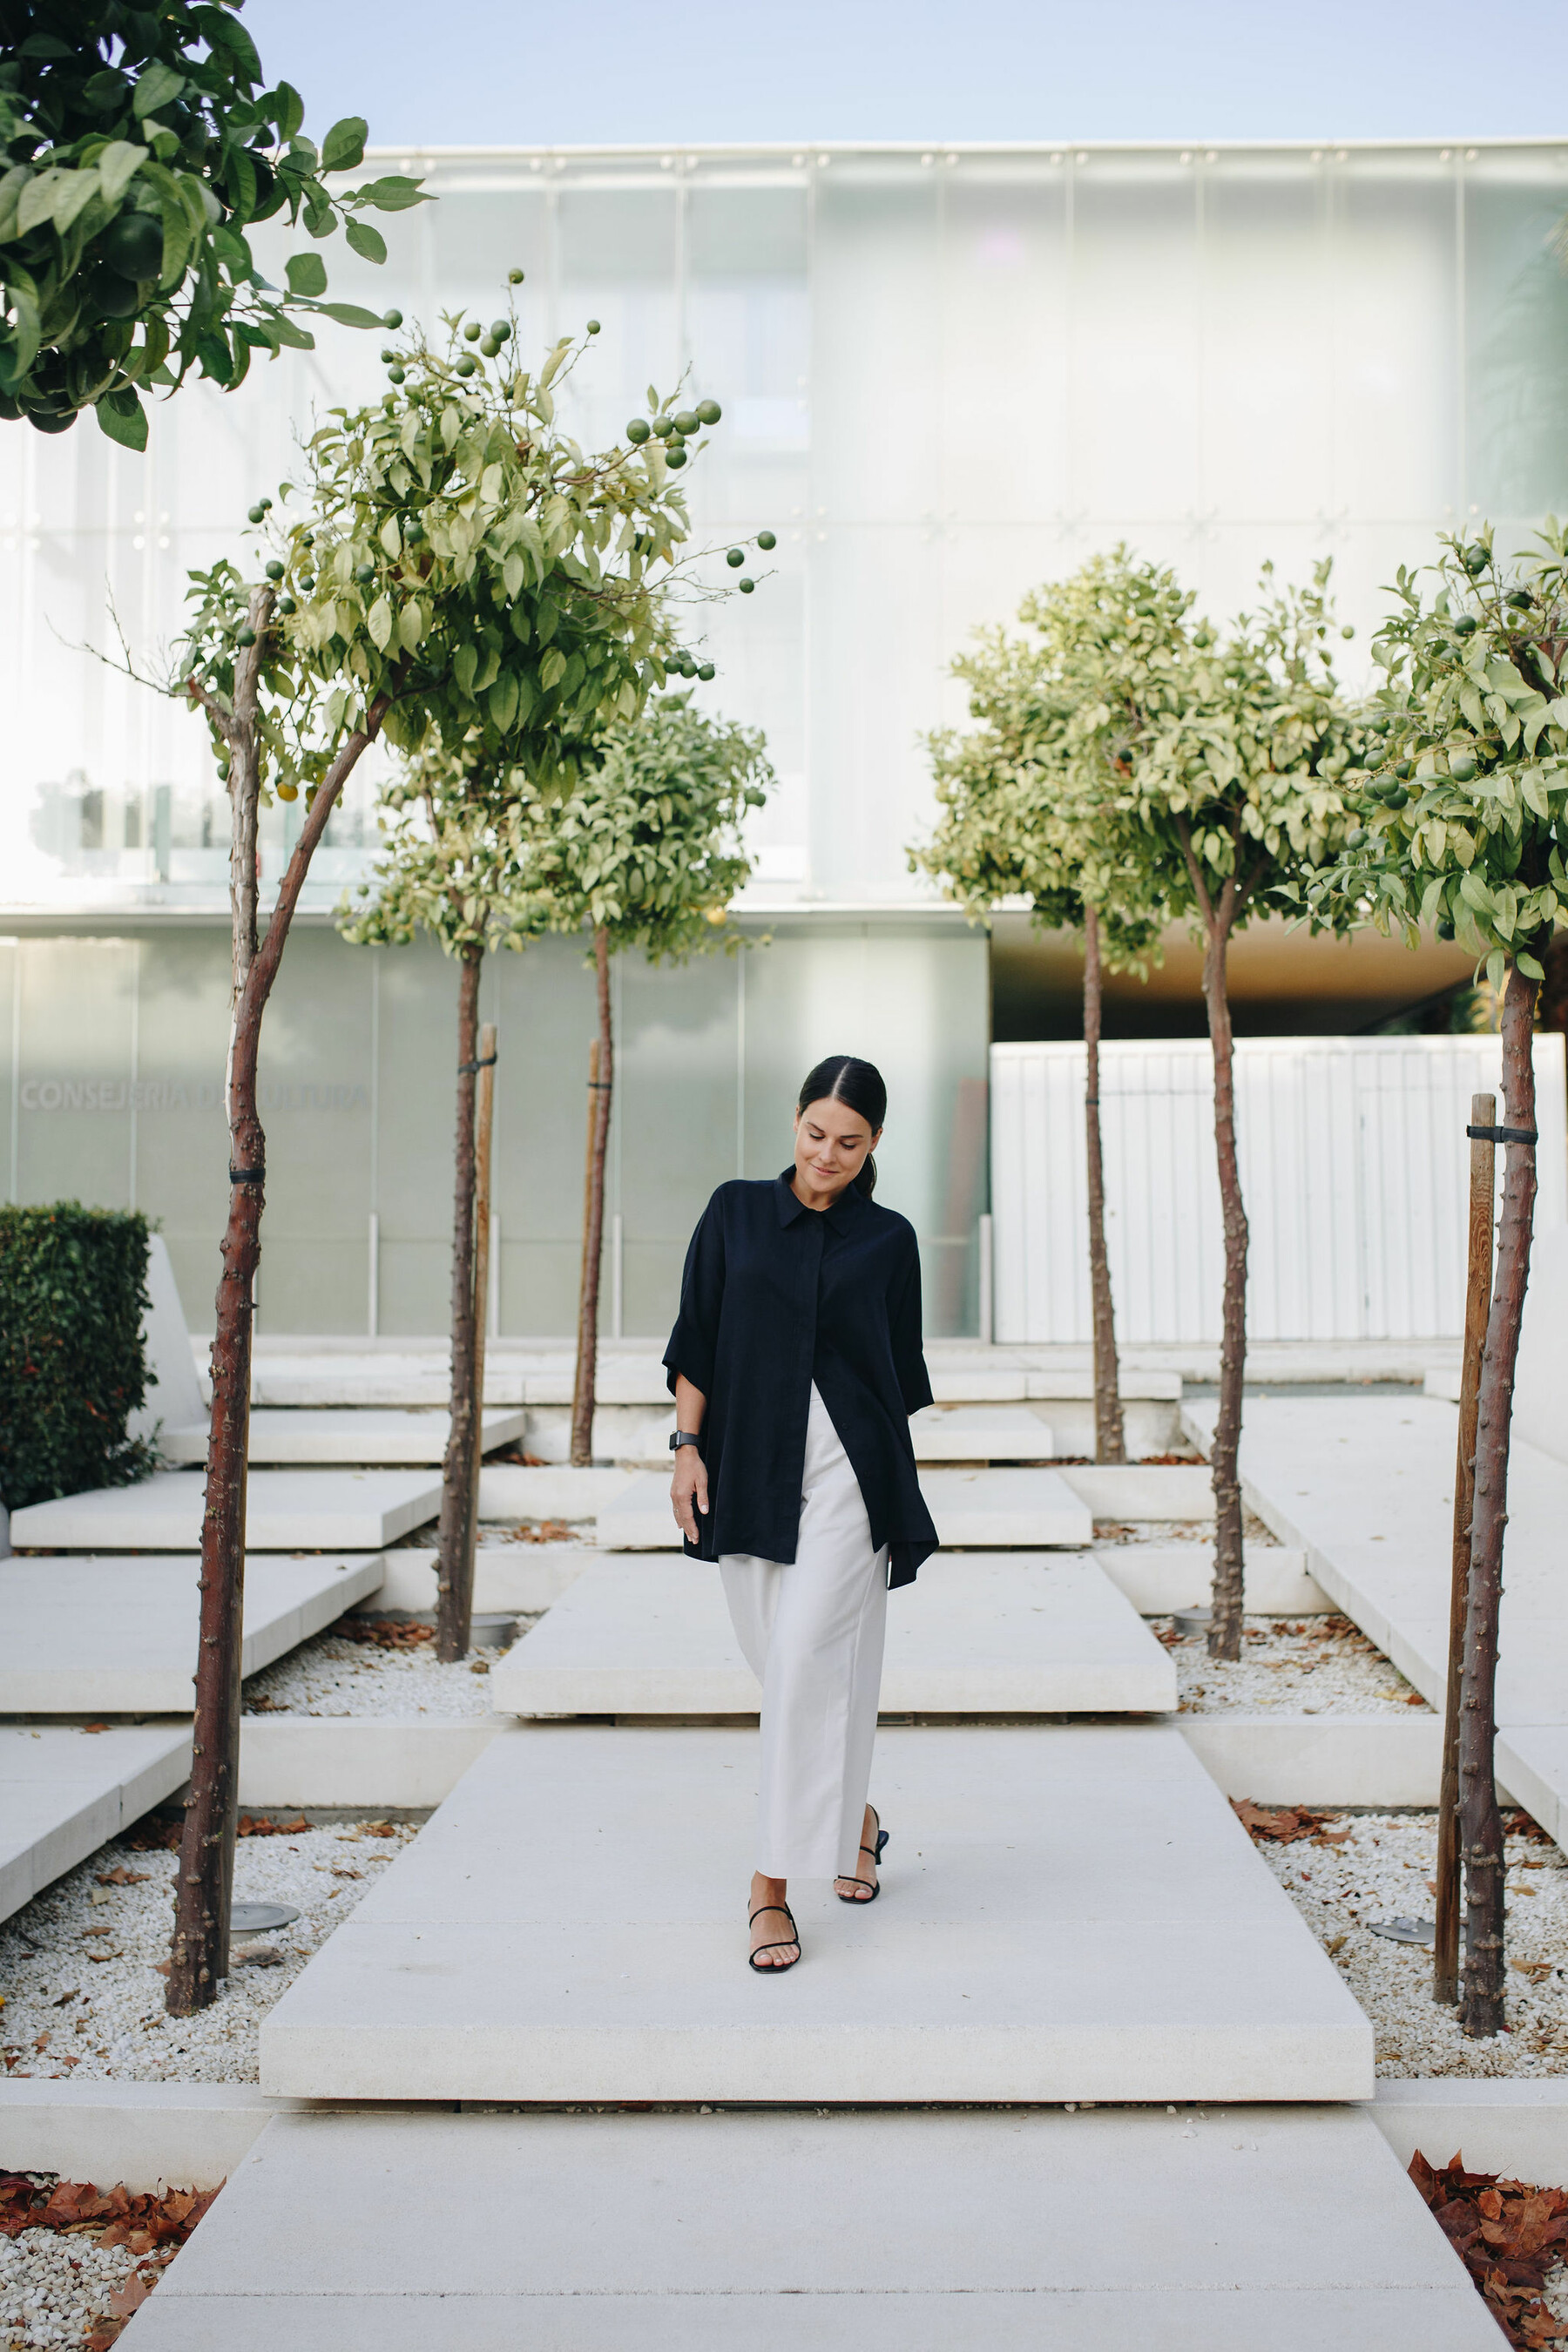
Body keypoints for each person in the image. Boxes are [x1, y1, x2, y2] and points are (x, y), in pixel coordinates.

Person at [664, 1053, 938, 1973]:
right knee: (778, 1662)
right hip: (748, 1469)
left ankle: (770, 1886)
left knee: (802, 1661)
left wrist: (873, 1478)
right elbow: (696, 1338)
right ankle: (854, 1817)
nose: (828, 1155)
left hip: (851, 1481)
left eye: (849, 1144)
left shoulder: (891, 1241)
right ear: (794, 1122)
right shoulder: (734, 1212)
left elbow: (897, 1379)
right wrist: (686, 1448)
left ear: (876, 1145)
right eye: (816, 1135)